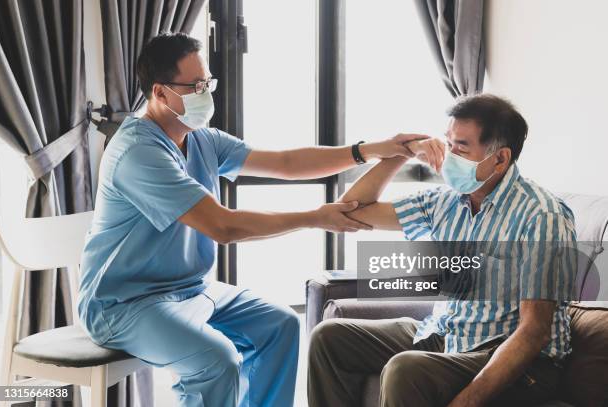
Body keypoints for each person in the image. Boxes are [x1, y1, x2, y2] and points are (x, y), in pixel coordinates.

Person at [77, 32, 426, 407]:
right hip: (125, 304)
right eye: (194, 86)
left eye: (206, 82)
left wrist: (370, 150)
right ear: (160, 93)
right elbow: (223, 226)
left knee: (280, 326)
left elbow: (286, 163)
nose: (205, 93)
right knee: (216, 360)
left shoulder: (202, 140)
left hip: (191, 289)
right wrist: (314, 217)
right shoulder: (138, 153)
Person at [308, 94, 577, 407]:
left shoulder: (542, 215)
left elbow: (534, 332)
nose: (448, 156)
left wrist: (465, 402)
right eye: (447, 143)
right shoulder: (445, 201)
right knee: (328, 339)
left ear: (500, 159)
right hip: (447, 335)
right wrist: (402, 153)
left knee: (404, 370)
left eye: (461, 147)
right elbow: (350, 210)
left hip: (509, 357)